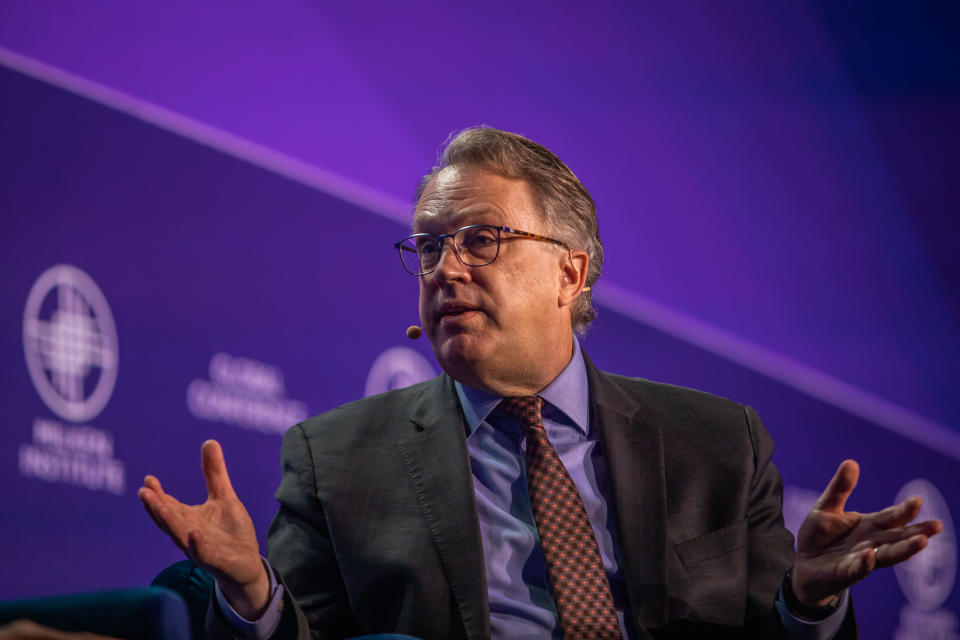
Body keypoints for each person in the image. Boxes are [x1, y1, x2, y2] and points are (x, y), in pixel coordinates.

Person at [139, 127, 942, 639]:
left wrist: (807, 604)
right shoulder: (337, 457)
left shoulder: (718, 446)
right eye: (427, 247)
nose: (446, 267)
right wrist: (253, 594)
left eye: (481, 239)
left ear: (570, 271)